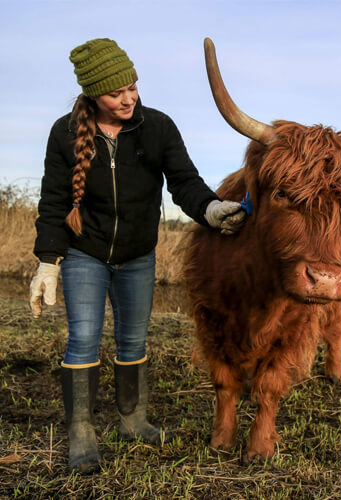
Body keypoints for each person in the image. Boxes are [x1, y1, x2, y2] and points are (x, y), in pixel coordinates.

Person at [29, 38, 245, 474]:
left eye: (133, 86)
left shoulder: (157, 127)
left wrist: (211, 208)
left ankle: (133, 421)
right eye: (115, 92)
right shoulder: (64, 133)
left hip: (138, 257)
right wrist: (48, 261)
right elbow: (54, 200)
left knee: (132, 340)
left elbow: (184, 181)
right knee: (84, 338)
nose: (128, 98)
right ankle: (81, 434)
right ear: (93, 94)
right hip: (85, 253)